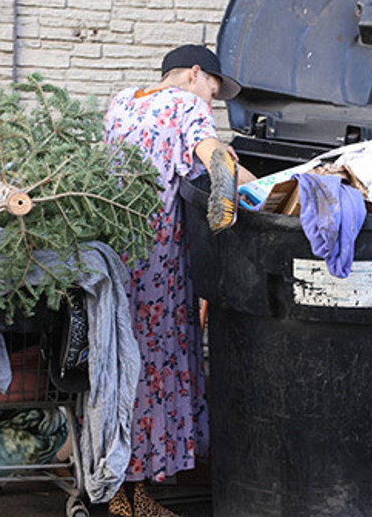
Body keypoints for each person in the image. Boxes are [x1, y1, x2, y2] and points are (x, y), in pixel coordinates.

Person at [103, 44, 256, 516]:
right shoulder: (187, 105)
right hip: (158, 267)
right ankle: (133, 498)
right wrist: (264, 189)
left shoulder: (122, 102)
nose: (211, 100)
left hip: (113, 260)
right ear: (194, 74)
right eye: (213, 88)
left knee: (122, 370)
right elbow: (210, 154)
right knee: (154, 371)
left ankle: (119, 487)